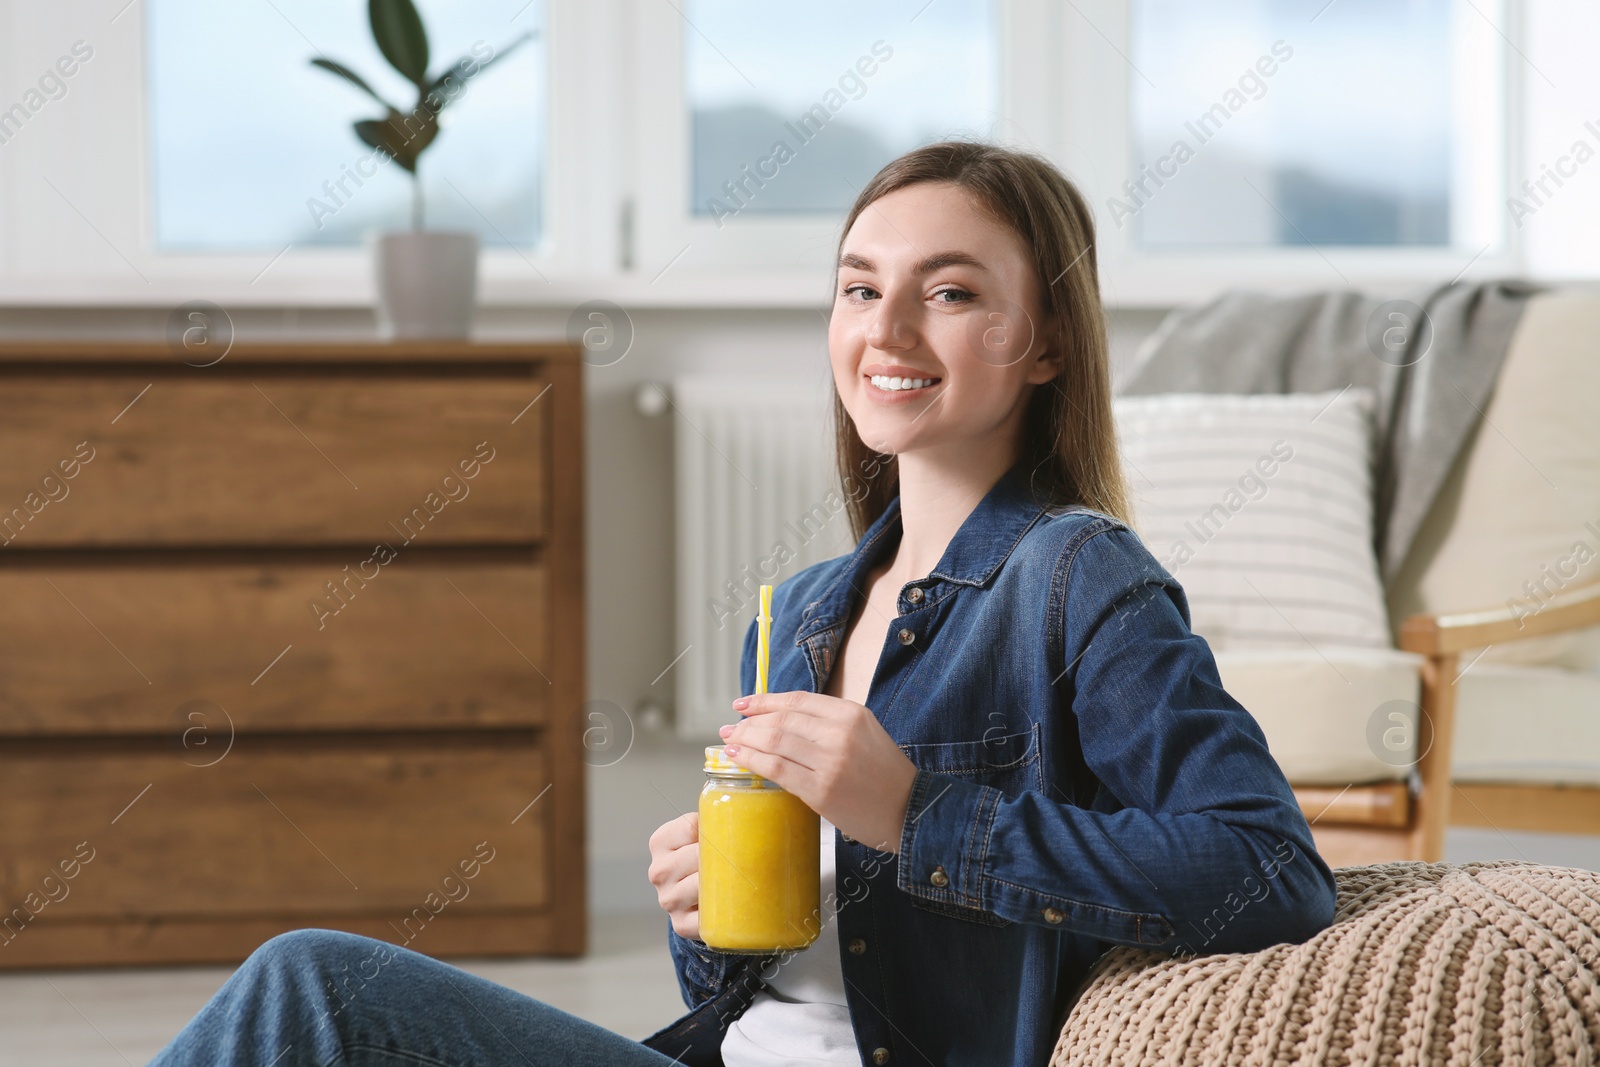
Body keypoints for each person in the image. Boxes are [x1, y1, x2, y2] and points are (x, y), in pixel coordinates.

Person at [148, 141, 1337, 1067]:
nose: (887, 328)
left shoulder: (1080, 580)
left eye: (952, 291)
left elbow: (1267, 870)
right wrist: (706, 914)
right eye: (861, 288)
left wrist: (916, 813)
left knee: (305, 985)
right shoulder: (806, 611)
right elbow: (766, 988)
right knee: (320, 999)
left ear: (1045, 344)